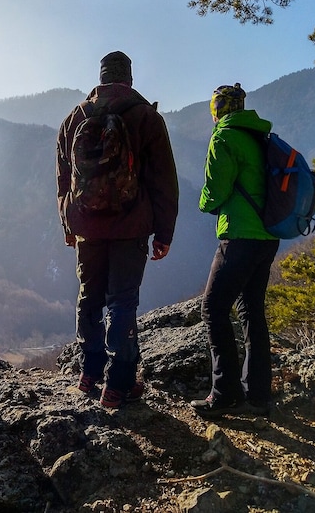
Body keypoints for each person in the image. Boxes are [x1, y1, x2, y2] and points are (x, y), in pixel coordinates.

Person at [56, 51, 179, 408]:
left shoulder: (74, 118)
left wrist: (68, 222)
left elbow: (63, 179)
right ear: (129, 79)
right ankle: (120, 381)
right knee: (122, 300)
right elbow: (163, 181)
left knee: (89, 294)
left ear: (101, 77)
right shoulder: (146, 117)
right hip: (131, 226)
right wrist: (164, 233)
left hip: (86, 227)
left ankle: (90, 370)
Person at [191, 83, 279, 418]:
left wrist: (202, 204)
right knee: (251, 310)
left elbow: (214, 193)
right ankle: (258, 397)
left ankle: (224, 393)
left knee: (213, 309)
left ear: (218, 108)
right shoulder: (260, 136)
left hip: (239, 237)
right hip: (268, 237)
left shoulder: (223, 138)